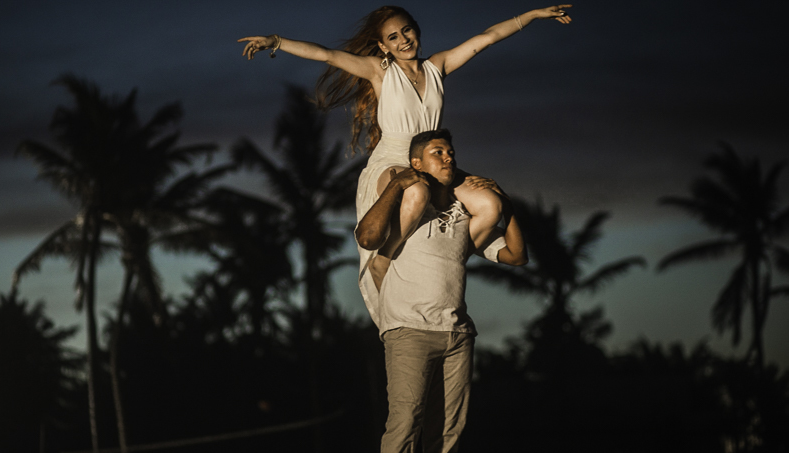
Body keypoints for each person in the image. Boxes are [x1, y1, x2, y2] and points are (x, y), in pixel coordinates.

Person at [239, 4, 570, 322]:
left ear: (417, 30)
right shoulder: (379, 71)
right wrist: (276, 42)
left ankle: (450, 255)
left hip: (432, 159)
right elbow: (327, 55)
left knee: (490, 204)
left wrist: (533, 14)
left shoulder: (438, 65)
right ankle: (384, 260)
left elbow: (488, 37)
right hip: (394, 160)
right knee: (416, 191)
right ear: (383, 46)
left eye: (407, 30)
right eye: (393, 37)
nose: (403, 40)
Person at [355, 129, 527, 453]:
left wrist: (508, 205)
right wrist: (397, 183)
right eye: (438, 152)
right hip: (408, 331)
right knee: (403, 426)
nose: (449, 157)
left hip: (457, 335)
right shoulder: (407, 212)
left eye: (451, 152)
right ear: (417, 163)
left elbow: (517, 256)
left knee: (448, 434)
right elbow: (367, 236)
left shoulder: (465, 218)